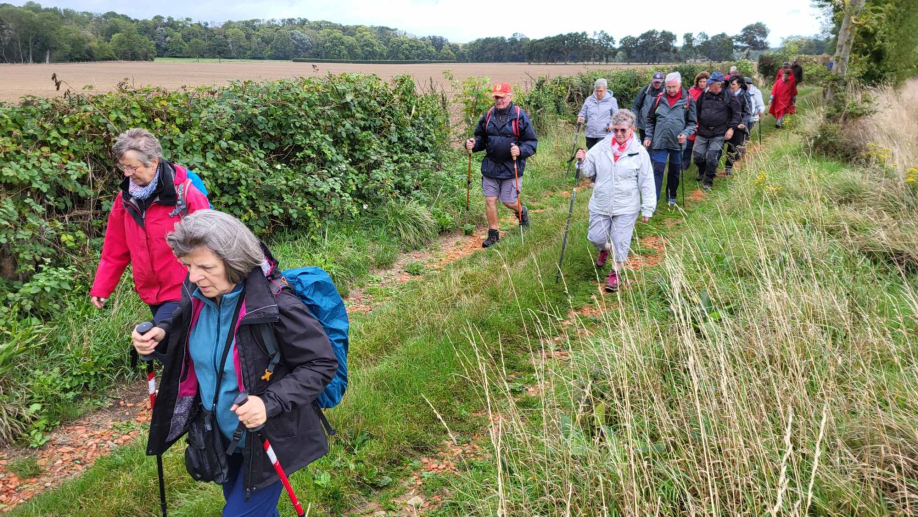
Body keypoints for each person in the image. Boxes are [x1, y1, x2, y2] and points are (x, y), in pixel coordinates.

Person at [134, 210, 339, 516]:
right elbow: (190, 349)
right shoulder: (196, 294)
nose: (193, 276)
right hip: (220, 437)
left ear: (235, 263)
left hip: (271, 436)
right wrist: (159, 338)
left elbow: (321, 363)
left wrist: (268, 404)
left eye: (205, 267)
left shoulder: (275, 306)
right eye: (188, 266)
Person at [90, 128, 210, 327]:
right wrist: (102, 287)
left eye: (132, 167)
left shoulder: (186, 192)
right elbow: (115, 247)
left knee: (163, 340)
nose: (126, 174)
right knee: (172, 351)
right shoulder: (126, 198)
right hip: (151, 292)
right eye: (124, 167)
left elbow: (210, 240)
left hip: (186, 288)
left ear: (153, 162)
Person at [574, 109, 656, 293]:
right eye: (615, 130)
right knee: (596, 237)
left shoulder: (639, 153)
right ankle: (604, 249)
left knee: (621, 241)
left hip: (627, 206)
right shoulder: (602, 147)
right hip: (601, 203)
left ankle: (615, 272)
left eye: (623, 130)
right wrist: (582, 160)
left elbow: (647, 181)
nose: (618, 134)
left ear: (632, 129)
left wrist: (647, 208)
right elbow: (588, 171)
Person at [465, 82, 538, 248]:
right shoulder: (488, 115)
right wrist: (473, 144)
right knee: (490, 200)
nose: (498, 100)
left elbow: (532, 142)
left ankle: (522, 211)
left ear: (510, 97)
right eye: (496, 97)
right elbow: (481, 139)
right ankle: (493, 233)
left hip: (511, 167)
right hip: (491, 165)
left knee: (508, 201)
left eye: (502, 97)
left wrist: (520, 150)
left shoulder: (520, 116)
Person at [643, 72, 697, 206]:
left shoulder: (688, 100)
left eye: (674, 87)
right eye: (669, 87)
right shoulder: (659, 99)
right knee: (658, 170)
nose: (671, 90)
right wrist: (649, 136)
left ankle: (671, 196)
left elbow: (692, 123)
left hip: (677, 143)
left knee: (674, 170)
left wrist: (685, 134)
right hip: (660, 141)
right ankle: (653, 200)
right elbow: (650, 120)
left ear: (680, 85)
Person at [693, 72, 741, 190]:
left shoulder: (729, 95)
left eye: (711, 83)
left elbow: (736, 113)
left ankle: (708, 181)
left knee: (712, 157)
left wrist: (731, 128)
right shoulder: (704, 94)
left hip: (719, 132)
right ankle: (702, 170)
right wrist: (694, 123)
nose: (707, 85)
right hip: (703, 130)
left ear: (719, 84)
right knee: (697, 156)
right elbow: (696, 110)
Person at [577, 78, 619, 149]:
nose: (598, 93)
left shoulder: (612, 100)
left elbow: (616, 117)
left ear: (605, 89)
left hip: (604, 134)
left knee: (599, 152)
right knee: (591, 153)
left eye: (600, 91)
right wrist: (581, 118)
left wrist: (612, 125)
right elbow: (582, 113)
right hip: (590, 134)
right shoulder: (589, 100)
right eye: (597, 91)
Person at [724, 76, 751, 176]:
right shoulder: (726, 94)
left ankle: (728, 167)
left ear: (739, 85)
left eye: (734, 84)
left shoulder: (744, 95)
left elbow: (747, 112)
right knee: (718, 146)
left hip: (738, 126)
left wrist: (743, 123)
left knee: (732, 147)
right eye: (730, 84)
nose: (731, 86)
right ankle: (711, 167)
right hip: (724, 124)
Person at [683, 71, 709, 173]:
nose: (702, 83)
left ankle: (701, 166)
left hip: (704, 122)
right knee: (688, 144)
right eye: (700, 81)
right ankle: (685, 163)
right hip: (691, 120)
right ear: (697, 82)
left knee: (701, 146)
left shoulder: (709, 92)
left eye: (704, 81)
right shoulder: (691, 91)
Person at [632, 71, 665, 145]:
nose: (657, 84)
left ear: (662, 81)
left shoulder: (665, 92)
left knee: (655, 148)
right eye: (655, 82)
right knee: (644, 147)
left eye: (659, 82)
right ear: (652, 80)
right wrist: (634, 122)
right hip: (643, 125)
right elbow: (635, 107)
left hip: (658, 127)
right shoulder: (645, 90)